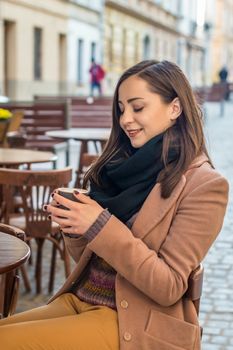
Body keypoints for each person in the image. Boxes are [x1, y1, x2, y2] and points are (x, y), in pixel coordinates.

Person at [0, 60, 228, 350]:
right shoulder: (119, 166)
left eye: (138, 107)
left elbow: (168, 286)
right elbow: (89, 254)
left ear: (175, 108)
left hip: (132, 322)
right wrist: (75, 225)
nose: (125, 120)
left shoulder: (205, 184)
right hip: (80, 299)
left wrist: (98, 224)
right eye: (121, 109)